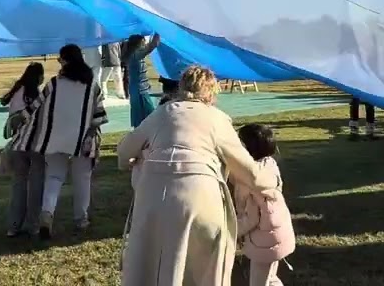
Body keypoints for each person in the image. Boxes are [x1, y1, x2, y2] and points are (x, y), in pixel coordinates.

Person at [117, 64, 279, 286]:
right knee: (203, 268)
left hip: (152, 195)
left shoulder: (162, 113)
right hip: (200, 196)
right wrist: (271, 180)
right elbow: (250, 172)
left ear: (181, 87)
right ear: (212, 91)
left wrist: (132, 162)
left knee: (151, 264)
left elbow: (124, 151)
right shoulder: (217, 119)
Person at [12, 44, 106, 239]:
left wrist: (18, 120)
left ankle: (47, 214)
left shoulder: (54, 84)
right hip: (82, 140)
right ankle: (81, 219)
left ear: (65, 61)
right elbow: (99, 117)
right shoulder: (92, 86)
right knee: (82, 180)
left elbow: (34, 109)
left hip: (54, 139)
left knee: (54, 178)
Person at [234, 124, 294, 286]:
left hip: (265, 242)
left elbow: (252, 217)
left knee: (259, 283)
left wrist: (232, 232)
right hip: (275, 234)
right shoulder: (270, 164)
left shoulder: (253, 180)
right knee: (271, 278)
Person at [0, 62, 45, 237]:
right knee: (36, 185)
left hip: (18, 144)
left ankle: (14, 225)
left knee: (19, 185)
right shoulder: (37, 96)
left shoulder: (17, 93)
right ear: (39, 77)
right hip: (35, 144)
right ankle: (33, 224)